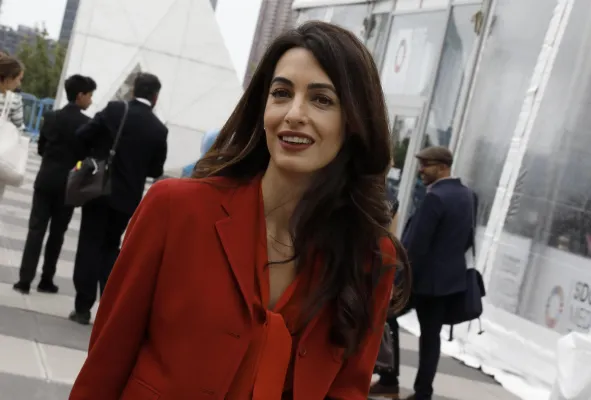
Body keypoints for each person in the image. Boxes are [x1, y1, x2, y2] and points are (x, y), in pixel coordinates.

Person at [68, 21, 411, 399]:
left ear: (355, 122)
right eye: (281, 93)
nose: (294, 113)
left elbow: (347, 391)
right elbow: (106, 362)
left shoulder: (371, 255)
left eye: (322, 100)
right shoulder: (174, 209)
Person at [372, 146, 476, 400]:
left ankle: (389, 379)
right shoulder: (468, 195)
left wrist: (397, 281)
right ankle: (422, 393)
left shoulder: (435, 198)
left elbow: (416, 245)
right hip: (448, 282)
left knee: (384, 316)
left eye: (426, 165)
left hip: (421, 281)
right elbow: (468, 239)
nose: (421, 170)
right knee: (431, 338)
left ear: (442, 167)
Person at [69, 72, 168, 325]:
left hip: (98, 190)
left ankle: (82, 307)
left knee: (89, 244)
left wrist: (97, 154)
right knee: (111, 247)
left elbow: (83, 134)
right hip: (127, 199)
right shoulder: (158, 129)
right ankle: (109, 306)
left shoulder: (115, 110)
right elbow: (155, 169)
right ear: (155, 97)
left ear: (134, 90)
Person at [13, 75, 97, 295]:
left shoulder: (51, 117)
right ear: (80, 95)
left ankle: (24, 280)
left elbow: (41, 148)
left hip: (46, 179)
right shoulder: (87, 124)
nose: (90, 100)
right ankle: (46, 279)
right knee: (57, 234)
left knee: (36, 230)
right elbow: (87, 156)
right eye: (89, 96)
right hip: (69, 184)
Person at [0, 53, 25, 200]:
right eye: (19, 79)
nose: (19, 84)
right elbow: (18, 131)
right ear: (9, 78)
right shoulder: (14, 101)